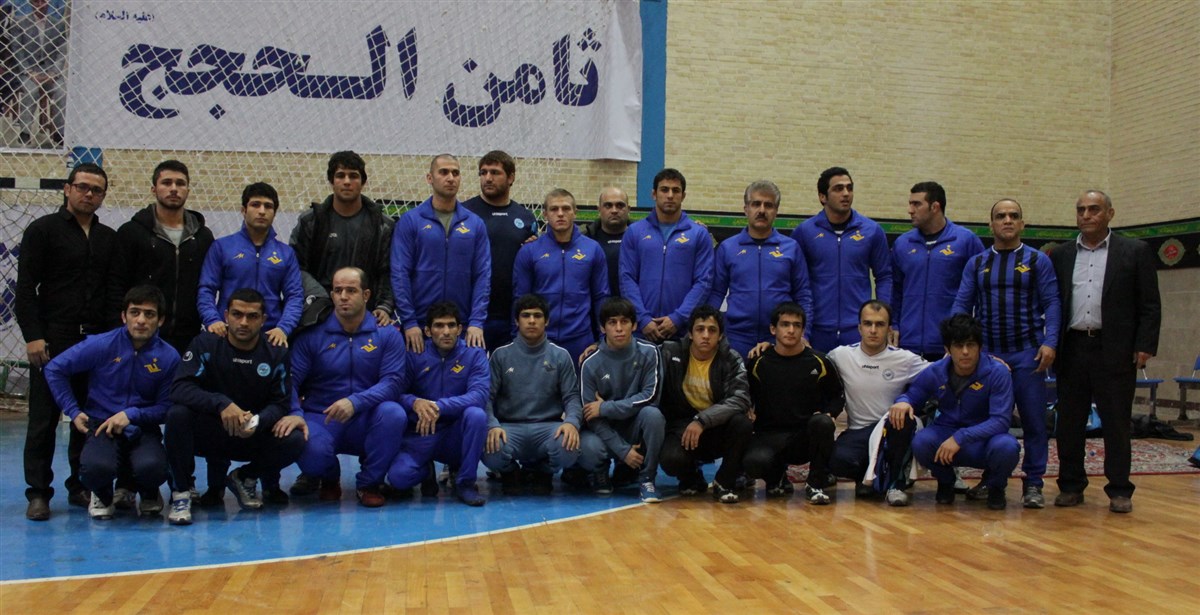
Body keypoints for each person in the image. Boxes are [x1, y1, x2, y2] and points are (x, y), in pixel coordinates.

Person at [1050, 190, 1161, 514]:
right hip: (1072, 347)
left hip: (1115, 349)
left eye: (1094, 209)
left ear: (1110, 213)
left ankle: (1120, 489)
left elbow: (1150, 304)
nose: (1086, 215)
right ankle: (1071, 486)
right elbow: (1053, 302)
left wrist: (1144, 345)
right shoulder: (1061, 255)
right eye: (1081, 209)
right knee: (1069, 422)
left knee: (1116, 422)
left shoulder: (1134, 251)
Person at [16, 162, 116, 521]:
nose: (89, 194)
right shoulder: (42, 230)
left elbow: (112, 292)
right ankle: (38, 493)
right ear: (67, 189)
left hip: (95, 341)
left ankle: (80, 485)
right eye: (83, 187)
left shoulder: (108, 238)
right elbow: (25, 288)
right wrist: (33, 336)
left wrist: (111, 340)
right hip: (53, 338)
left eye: (96, 190)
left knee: (87, 417)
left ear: (103, 196)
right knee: (44, 420)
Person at [165, 289, 308, 525]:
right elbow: (180, 388)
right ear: (226, 316)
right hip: (212, 431)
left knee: (294, 438)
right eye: (237, 314)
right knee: (177, 415)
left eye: (252, 316)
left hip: (251, 433)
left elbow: (280, 403)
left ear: (263, 320)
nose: (243, 322)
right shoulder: (206, 343)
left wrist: (257, 421)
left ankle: (245, 476)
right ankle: (181, 493)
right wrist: (221, 404)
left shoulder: (276, 352)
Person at [952, 198, 1060, 509]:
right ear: (991, 225)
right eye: (1001, 216)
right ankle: (992, 479)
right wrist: (956, 343)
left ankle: (1034, 484)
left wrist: (1050, 342)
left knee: (1034, 422)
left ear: (1022, 224)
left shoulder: (1038, 261)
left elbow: (1052, 302)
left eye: (1014, 216)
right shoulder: (977, 263)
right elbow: (962, 305)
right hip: (988, 358)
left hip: (1028, 355)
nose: (1007, 220)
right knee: (988, 421)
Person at [44, 285, 180, 520]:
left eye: (149, 314)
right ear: (124, 316)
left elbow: (166, 407)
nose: (141, 320)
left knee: (153, 468)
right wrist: (73, 411)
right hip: (101, 425)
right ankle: (102, 494)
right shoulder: (102, 344)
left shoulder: (169, 357)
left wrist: (131, 415)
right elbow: (55, 369)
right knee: (95, 468)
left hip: (142, 426)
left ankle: (148, 490)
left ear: (160, 320)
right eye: (135, 312)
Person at [289, 268, 407, 507]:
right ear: (331, 294)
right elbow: (289, 380)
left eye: (351, 290)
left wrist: (356, 402)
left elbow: (393, 382)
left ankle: (368, 483)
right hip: (322, 415)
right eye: (338, 290)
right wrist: (294, 412)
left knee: (394, 414)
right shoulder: (312, 334)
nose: (343, 296)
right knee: (303, 445)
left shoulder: (387, 334)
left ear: (366, 295)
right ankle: (329, 477)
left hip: (367, 416)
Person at [892, 314, 1020, 510]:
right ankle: (946, 481)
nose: (965, 352)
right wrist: (903, 402)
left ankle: (995, 486)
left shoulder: (997, 372)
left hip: (984, 439)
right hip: (946, 433)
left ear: (980, 347)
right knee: (921, 442)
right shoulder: (936, 371)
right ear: (947, 349)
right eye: (959, 346)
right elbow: (913, 394)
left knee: (1008, 447)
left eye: (971, 345)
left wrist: (960, 437)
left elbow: (1001, 421)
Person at [827, 300, 929, 506]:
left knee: (903, 420)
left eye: (880, 324)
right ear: (859, 328)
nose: (873, 330)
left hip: (891, 429)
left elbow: (942, 371)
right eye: (868, 324)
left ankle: (896, 483)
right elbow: (810, 361)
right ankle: (868, 479)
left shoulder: (905, 359)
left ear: (889, 329)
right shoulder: (840, 355)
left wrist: (986, 360)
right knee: (837, 461)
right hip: (859, 432)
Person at [388, 301, 490, 506]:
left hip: (454, 432)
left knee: (477, 415)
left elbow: (479, 395)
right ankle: (425, 470)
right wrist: (414, 402)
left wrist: (439, 406)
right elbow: (394, 391)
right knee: (399, 478)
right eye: (439, 326)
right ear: (427, 331)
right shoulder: (414, 354)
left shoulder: (474, 354)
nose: (446, 332)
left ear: (460, 329)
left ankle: (465, 483)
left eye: (451, 325)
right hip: (422, 431)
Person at [110, 160, 214, 355]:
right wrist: (120, 329)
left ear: (188, 190)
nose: (174, 188)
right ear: (154, 189)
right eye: (166, 183)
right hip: (140, 335)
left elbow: (207, 285)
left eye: (180, 183)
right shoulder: (131, 232)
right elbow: (116, 284)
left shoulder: (203, 236)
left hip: (188, 336)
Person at [744, 302, 844, 504]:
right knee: (754, 463)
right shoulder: (758, 362)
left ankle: (815, 484)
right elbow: (745, 395)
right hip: (769, 435)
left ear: (803, 330)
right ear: (773, 329)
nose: (791, 330)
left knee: (823, 423)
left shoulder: (820, 361)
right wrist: (747, 410)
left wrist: (830, 414)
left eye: (796, 325)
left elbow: (837, 396)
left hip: (804, 438)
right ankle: (777, 477)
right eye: (785, 324)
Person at [483, 294, 582, 495]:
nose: (531, 321)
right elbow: (486, 398)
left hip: (548, 427)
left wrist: (571, 422)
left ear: (546, 321)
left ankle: (544, 472)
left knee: (569, 446)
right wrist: (492, 425)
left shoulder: (560, 355)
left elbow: (572, 397)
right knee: (489, 449)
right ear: (516, 321)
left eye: (537, 316)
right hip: (509, 427)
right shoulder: (500, 355)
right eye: (525, 315)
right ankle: (510, 472)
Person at [391, 154, 491, 353]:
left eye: (455, 173)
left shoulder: (475, 224)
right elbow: (400, 273)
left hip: (462, 327)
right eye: (444, 172)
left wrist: (476, 321)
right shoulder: (411, 221)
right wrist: (409, 321)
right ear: (430, 178)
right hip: (419, 327)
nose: (450, 178)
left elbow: (483, 275)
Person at [657, 304, 752, 503]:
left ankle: (724, 481)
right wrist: (601, 345)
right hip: (682, 427)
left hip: (716, 426)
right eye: (700, 329)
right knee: (671, 460)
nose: (706, 335)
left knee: (742, 423)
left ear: (720, 335)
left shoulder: (731, 358)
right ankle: (691, 477)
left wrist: (702, 420)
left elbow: (740, 398)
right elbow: (637, 354)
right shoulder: (668, 352)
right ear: (690, 334)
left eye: (712, 330)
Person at [791, 167, 892, 351]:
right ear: (823, 197)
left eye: (849, 188)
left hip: (857, 331)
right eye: (838, 189)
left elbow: (884, 276)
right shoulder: (804, 232)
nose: (846, 193)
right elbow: (797, 284)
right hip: (817, 331)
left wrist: (883, 319)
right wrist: (802, 329)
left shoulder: (872, 231)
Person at [708, 180, 813, 357]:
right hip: (736, 339)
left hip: (779, 340)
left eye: (768, 205)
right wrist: (709, 329)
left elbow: (803, 295)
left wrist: (804, 334)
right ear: (746, 209)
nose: (762, 210)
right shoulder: (728, 248)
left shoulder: (791, 248)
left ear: (776, 211)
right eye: (756, 204)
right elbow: (716, 293)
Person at [290, 151, 395, 326]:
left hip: (367, 315)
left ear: (363, 182)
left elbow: (388, 271)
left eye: (353, 176)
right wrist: (321, 300)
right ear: (331, 181)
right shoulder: (311, 221)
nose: (347, 181)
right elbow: (296, 267)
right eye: (340, 176)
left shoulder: (383, 225)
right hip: (319, 315)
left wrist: (384, 306)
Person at [577, 297, 666, 503]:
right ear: (602, 328)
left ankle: (647, 479)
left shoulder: (650, 352)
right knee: (587, 447)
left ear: (634, 325)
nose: (619, 328)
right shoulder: (590, 363)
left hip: (634, 425)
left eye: (624, 322)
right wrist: (623, 451)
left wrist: (605, 407)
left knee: (653, 416)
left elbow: (650, 396)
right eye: (612, 322)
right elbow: (591, 416)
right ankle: (599, 472)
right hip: (604, 429)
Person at [197, 182, 303, 347]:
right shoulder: (222, 247)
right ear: (243, 210)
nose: (262, 211)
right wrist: (213, 320)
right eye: (255, 204)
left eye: (268, 206)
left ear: (274, 213)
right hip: (227, 335)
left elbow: (295, 296)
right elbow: (206, 289)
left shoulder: (286, 253)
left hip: (270, 337)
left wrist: (283, 328)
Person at [890, 181, 984, 361]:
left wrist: (969, 334)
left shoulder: (966, 241)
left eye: (916, 204)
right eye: (910, 204)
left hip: (950, 344)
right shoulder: (902, 244)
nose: (910, 210)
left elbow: (981, 291)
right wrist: (893, 324)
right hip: (907, 344)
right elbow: (895, 290)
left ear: (935, 207)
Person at [513, 188, 608, 364]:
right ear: (545, 214)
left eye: (566, 208)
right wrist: (517, 339)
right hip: (540, 340)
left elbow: (601, 296)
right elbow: (520, 299)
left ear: (574, 212)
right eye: (554, 209)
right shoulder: (529, 251)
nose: (560, 214)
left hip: (581, 339)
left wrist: (603, 338)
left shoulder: (593, 249)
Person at [619, 168, 713, 342]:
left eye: (676, 190)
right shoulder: (634, 232)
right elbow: (627, 278)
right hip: (642, 330)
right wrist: (642, 318)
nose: (670, 195)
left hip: (682, 332)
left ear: (683, 196)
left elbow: (703, 281)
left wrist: (678, 318)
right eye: (664, 190)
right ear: (654, 194)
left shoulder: (698, 234)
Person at [462, 150, 539, 350]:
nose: (488, 178)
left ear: (511, 177)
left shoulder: (526, 218)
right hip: (470, 314)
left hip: (510, 315)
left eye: (495, 173)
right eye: (483, 172)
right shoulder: (464, 213)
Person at [13, 0, 65, 146]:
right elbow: (17, 51)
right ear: (31, 4)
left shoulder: (58, 24)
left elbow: (62, 52)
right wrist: (29, 72)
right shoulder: (19, 23)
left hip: (51, 72)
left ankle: (60, 132)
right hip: (29, 72)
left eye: (43, 1)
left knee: (62, 92)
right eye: (37, 2)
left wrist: (54, 73)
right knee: (30, 91)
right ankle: (25, 131)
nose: (40, 5)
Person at [580, 186, 630, 298]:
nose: (614, 210)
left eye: (620, 205)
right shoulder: (585, 240)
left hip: (632, 306)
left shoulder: (641, 239)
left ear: (629, 209)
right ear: (599, 210)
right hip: (597, 306)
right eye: (608, 205)